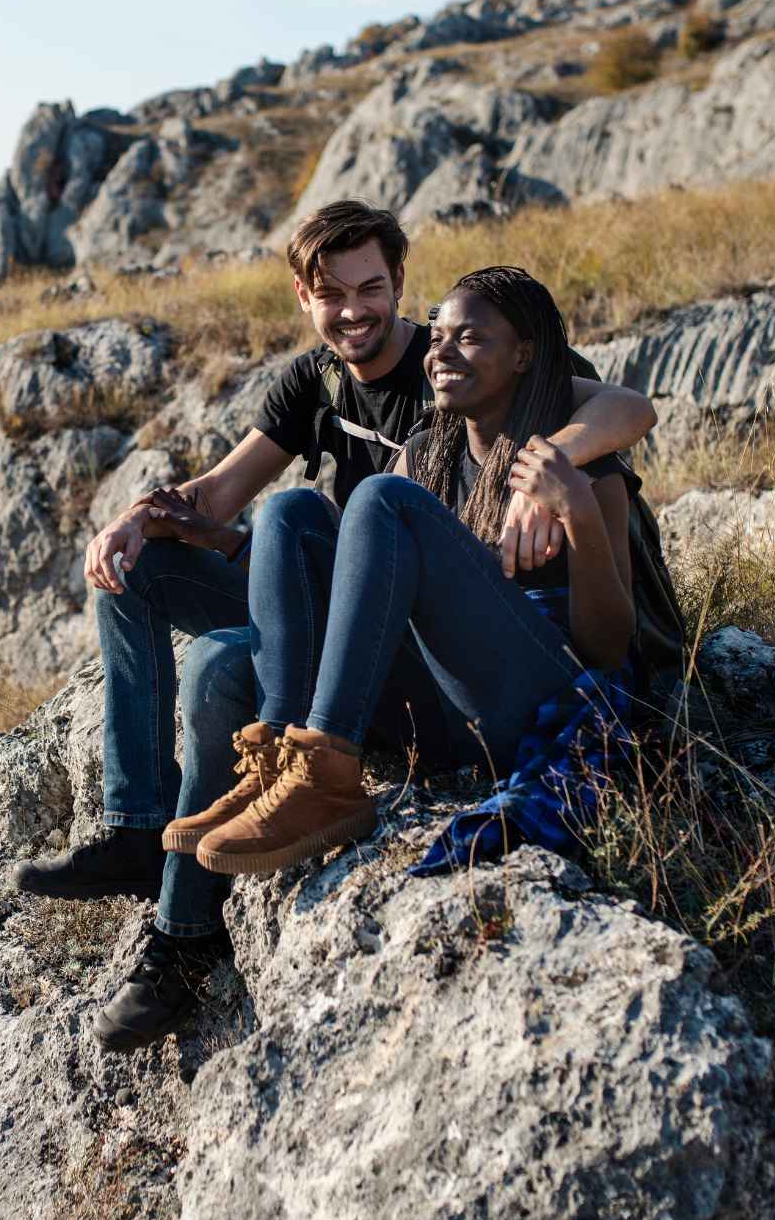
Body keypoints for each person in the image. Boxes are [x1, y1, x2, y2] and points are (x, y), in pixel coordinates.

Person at [9, 201, 656, 1052]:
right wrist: (139, 517)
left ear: (400, 288)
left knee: (263, 616)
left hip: (486, 657)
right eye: (331, 292)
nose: (358, 310)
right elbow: (224, 499)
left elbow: (624, 407)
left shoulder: (496, 377)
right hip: (391, 629)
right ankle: (191, 818)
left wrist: (558, 474)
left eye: (373, 288)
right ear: (304, 298)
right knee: (254, 536)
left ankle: (308, 783)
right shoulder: (376, 409)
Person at [159, 266, 639, 888]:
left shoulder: (583, 465)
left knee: (382, 497)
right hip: (441, 718)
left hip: (528, 701)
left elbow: (609, 647)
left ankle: (326, 769)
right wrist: (224, 541)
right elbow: (366, 587)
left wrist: (573, 504)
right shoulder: (427, 456)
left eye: (470, 338)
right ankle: (282, 762)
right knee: (290, 511)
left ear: (524, 356)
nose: (441, 351)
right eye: (437, 336)